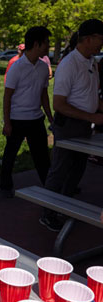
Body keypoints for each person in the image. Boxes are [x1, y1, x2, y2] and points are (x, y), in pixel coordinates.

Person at [40, 19, 103, 231]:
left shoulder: (92, 62)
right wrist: (91, 117)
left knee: (76, 171)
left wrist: (97, 108)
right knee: (60, 170)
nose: (101, 44)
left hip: (84, 125)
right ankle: (47, 213)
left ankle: (64, 209)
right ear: (88, 38)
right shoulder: (69, 64)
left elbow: (90, 94)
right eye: (100, 39)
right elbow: (59, 104)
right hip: (69, 126)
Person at [0, 27, 53, 198]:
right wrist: (7, 123)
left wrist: (51, 118)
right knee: (10, 154)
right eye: (46, 42)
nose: (49, 46)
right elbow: (7, 97)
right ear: (37, 44)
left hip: (36, 119)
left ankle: (50, 187)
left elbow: (44, 94)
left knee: (42, 157)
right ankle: (5, 186)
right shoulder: (17, 67)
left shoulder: (44, 67)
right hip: (17, 119)